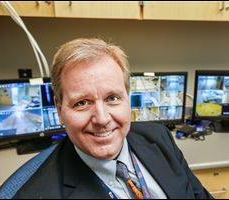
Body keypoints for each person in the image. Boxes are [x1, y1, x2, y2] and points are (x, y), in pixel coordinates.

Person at [12, 38, 212, 199]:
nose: (102, 118)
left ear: (128, 99)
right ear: (59, 110)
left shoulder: (159, 137)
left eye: (112, 98)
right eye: (82, 103)